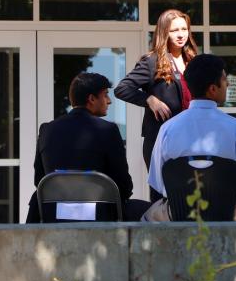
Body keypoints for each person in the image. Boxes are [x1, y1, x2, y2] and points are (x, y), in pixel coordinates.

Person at [142, 54, 236, 222]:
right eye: (224, 79)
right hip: (229, 212)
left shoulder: (167, 129)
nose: (228, 84)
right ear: (213, 89)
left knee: (146, 219)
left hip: (178, 213)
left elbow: (157, 181)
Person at [26, 72, 150, 222]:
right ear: (91, 99)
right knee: (150, 211)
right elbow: (124, 186)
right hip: (101, 217)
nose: (109, 101)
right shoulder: (108, 130)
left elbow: (39, 180)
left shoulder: (46, 129)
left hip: (53, 216)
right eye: (105, 95)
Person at [115, 9, 198, 181]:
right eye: (174, 30)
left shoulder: (194, 60)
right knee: (163, 198)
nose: (181, 35)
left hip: (193, 138)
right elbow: (122, 89)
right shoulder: (151, 61)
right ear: (164, 32)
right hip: (162, 140)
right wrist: (149, 99)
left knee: (193, 197)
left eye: (184, 29)